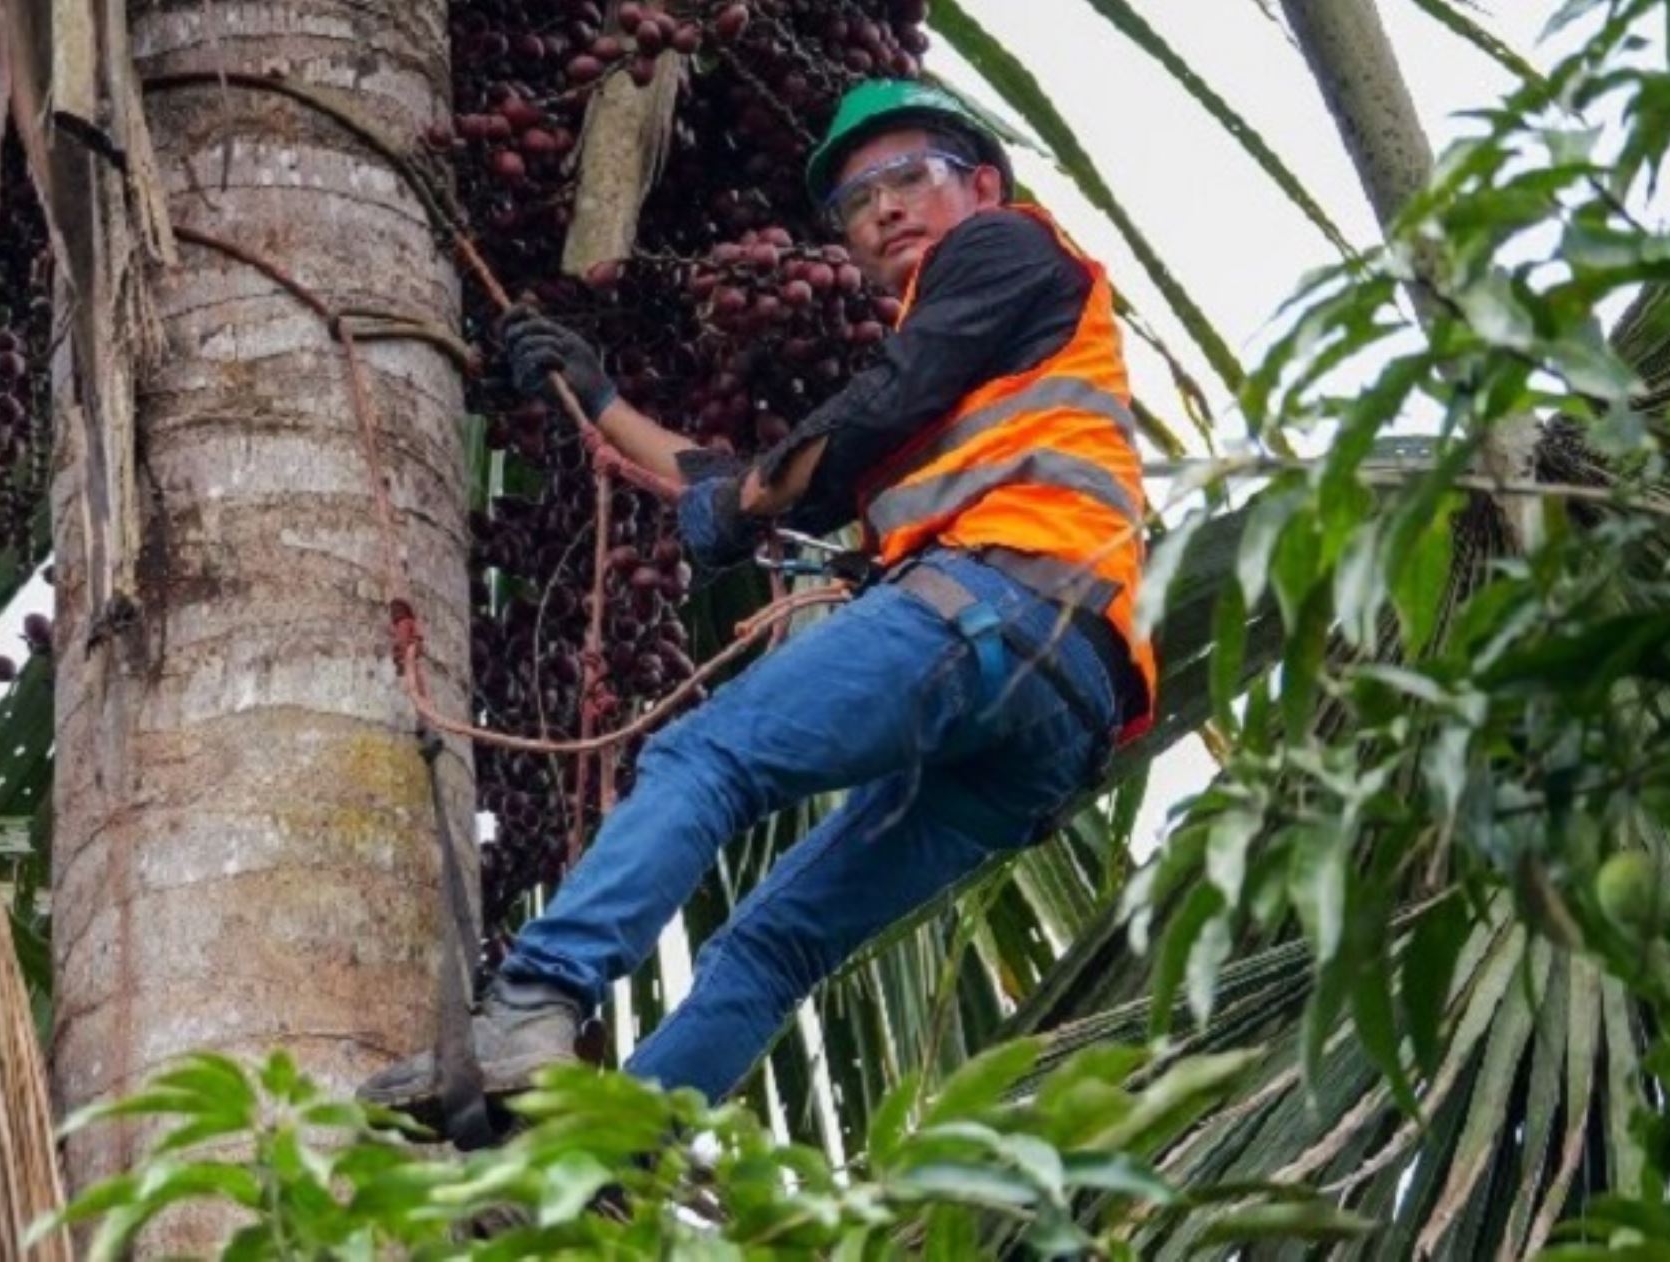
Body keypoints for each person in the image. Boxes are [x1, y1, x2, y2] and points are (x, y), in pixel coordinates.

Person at [359, 80, 1156, 1122]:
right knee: (779, 943)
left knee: (708, 757)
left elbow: (856, 420)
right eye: (855, 201)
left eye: (909, 176)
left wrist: (747, 494)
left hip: (1001, 609)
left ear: (983, 184)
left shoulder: (1006, 251)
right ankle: (597, 1159)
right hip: (1057, 718)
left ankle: (532, 1006)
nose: (883, 209)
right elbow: (740, 486)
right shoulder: (990, 371)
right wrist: (600, 400)